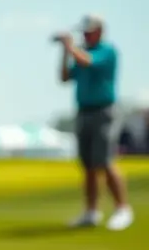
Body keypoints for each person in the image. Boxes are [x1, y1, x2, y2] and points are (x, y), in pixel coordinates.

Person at [55, 14, 132, 231]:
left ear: (99, 31)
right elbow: (63, 78)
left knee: (105, 161)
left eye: (88, 31)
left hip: (104, 112)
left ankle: (122, 209)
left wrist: (70, 46)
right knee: (88, 166)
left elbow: (86, 62)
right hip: (83, 112)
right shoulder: (81, 52)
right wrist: (64, 52)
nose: (85, 35)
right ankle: (91, 212)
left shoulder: (107, 51)